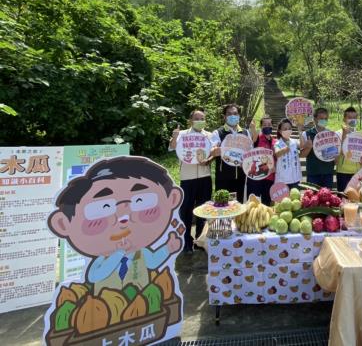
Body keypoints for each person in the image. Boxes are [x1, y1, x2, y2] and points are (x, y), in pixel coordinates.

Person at [48, 156, 183, 294]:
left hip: (142, 300)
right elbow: (94, 276)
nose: (123, 216)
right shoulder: (103, 258)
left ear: (172, 199)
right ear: (63, 224)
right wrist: (118, 254)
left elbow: (153, 262)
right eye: (103, 207)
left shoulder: (140, 252)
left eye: (140, 201)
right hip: (104, 307)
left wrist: (167, 248)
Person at [168, 109, 213, 254]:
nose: (200, 120)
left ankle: (200, 241)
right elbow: (172, 147)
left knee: (204, 210)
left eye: (203, 118)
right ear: (190, 120)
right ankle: (186, 242)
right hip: (187, 178)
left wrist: (209, 160)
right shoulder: (182, 135)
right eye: (197, 118)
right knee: (186, 211)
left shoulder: (209, 136)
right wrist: (174, 136)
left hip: (205, 177)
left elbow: (212, 154)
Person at [210, 104, 252, 202]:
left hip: (241, 177)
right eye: (229, 114)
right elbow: (212, 152)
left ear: (239, 116)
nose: (232, 116)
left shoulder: (246, 133)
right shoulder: (218, 132)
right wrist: (220, 150)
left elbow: (250, 153)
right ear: (224, 117)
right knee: (223, 207)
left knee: (239, 206)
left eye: (235, 113)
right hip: (223, 178)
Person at [300, 108, 335, 188]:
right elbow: (302, 155)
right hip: (313, 173)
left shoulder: (331, 134)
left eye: (326, 119)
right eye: (321, 118)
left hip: (328, 173)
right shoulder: (306, 134)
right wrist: (308, 147)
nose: (324, 121)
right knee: (313, 199)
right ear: (315, 119)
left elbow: (334, 156)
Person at [336, 106, 362, 192]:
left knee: (356, 198)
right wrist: (344, 135)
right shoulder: (337, 134)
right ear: (344, 119)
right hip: (343, 172)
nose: (352, 120)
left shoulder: (360, 135)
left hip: (357, 172)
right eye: (349, 118)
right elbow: (340, 153)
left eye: (354, 118)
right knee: (343, 198)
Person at [246, 115, 276, 205]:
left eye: (269, 124)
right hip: (255, 178)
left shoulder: (275, 141)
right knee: (253, 205)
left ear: (272, 126)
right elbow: (253, 138)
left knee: (267, 205)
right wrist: (253, 128)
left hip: (269, 178)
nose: (267, 126)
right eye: (265, 124)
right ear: (261, 126)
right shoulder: (257, 138)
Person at [274, 118, 305, 188]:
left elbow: (302, 145)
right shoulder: (277, 143)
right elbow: (277, 153)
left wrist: (300, 132)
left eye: (289, 128)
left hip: (295, 179)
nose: (287, 130)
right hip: (283, 181)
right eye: (285, 129)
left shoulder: (294, 142)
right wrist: (285, 149)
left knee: (295, 198)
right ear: (279, 131)